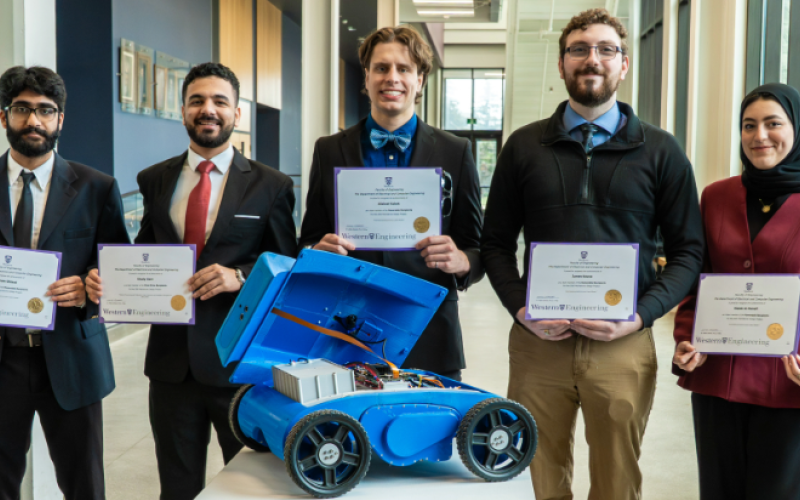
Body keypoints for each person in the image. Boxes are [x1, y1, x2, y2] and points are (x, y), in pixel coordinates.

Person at [480, 8, 704, 500]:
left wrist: (640, 317)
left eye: (606, 50)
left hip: (621, 344)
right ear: (562, 65)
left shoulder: (662, 152)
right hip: (540, 343)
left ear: (623, 65)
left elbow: (689, 252)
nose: (592, 59)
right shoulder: (523, 148)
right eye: (579, 50)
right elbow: (494, 244)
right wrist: (520, 309)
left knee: (617, 478)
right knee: (539, 468)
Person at [86, 62, 297, 500]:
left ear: (237, 114)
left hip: (238, 362)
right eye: (197, 100)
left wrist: (239, 275)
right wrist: (111, 278)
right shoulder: (155, 179)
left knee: (254, 486)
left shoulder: (270, 185)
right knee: (177, 485)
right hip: (171, 364)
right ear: (182, 110)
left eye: (220, 101)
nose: (208, 109)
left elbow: (286, 264)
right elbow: (145, 251)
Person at [299, 26, 483, 381]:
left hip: (429, 327)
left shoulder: (455, 151)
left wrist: (461, 262)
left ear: (420, 79)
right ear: (366, 78)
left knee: (428, 430)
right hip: (345, 327)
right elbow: (307, 240)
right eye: (381, 68)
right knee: (349, 433)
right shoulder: (329, 149)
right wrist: (316, 251)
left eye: (404, 69)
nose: (391, 78)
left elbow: (475, 248)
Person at [0, 66, 129, 499]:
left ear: (60, 120)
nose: (33, 121)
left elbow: (117, 272)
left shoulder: (96, 187)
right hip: (4, 360)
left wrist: (90, 288)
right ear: (4, 118)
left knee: (84, 486)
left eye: (45, 110)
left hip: (71, 355)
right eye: (22, 109)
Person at [673, 83, 800, 500]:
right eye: (748, 126)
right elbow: (698, 275)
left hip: (788, 383)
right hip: (718, 376)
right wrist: (686, 339)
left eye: (772, 123)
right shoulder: (716, 196)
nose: (759, 136)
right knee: (719, 489)